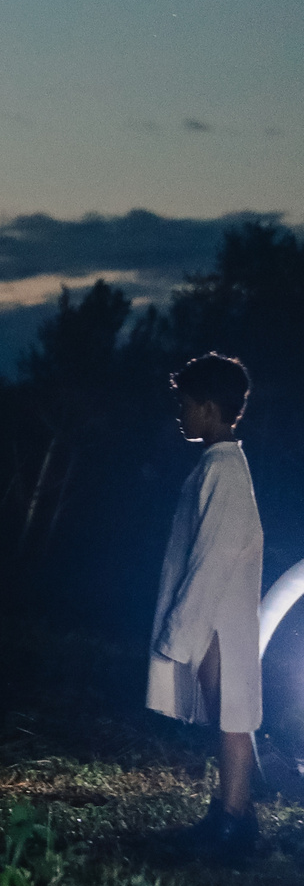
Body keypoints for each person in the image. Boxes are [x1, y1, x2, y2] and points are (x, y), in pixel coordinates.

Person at [150, 352, 266, 858]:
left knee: (231, 716)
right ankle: (230, 814)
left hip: (219, 615)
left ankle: (234, 821)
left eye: (186, 404)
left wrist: (184, 626)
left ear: (210, 408)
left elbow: (215, 551)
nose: (180, 413)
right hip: (216, 613)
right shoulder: (219, 465)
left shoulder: (223, 468)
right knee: (228, 714)